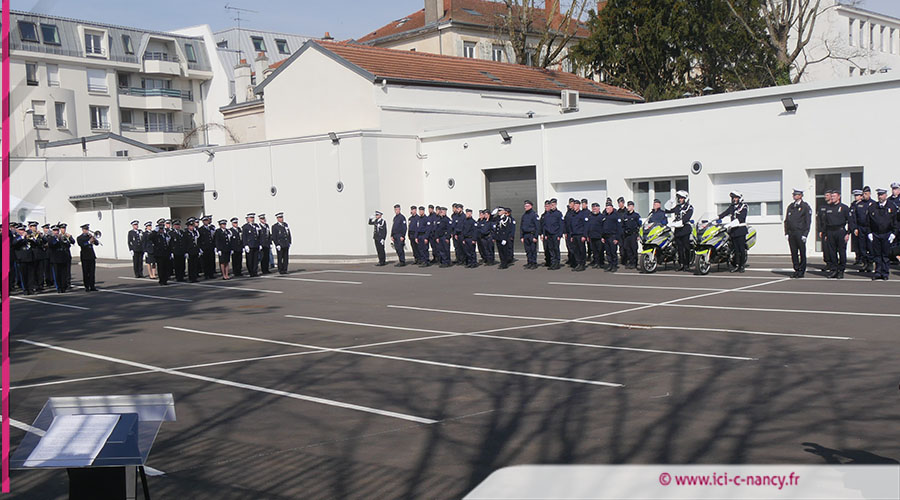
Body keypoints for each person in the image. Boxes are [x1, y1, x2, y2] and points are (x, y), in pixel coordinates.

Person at [868, 188, 897, 281]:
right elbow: (868, 221)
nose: (880, 197)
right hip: (876, 234)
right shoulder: (873, 207)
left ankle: (885, 273)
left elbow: (895, 221)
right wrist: (869, 233)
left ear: (885, 195)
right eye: (879, 195)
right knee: (877, 255)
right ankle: (878, 272)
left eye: (882, 195)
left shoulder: (891, 206)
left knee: (885, 255)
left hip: (887, 233)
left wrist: (894, 233)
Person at [783, 188, 812, 278]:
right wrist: (786, 232)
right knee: (794, 252)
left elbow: (808, 221)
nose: (794, 196)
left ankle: (802, 270)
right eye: (793, 195)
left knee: (802, 252)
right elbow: (787, 220)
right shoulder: (791, 206)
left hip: (800, 232)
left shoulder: (805, 206)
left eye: (796, 195)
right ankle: (796, 269)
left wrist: (805, 234)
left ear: (800, 196)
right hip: (792, 233)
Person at [718, 191, 749, 273]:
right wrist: (715, 218)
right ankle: (737, 265)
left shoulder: (744, 206)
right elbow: (724, 213)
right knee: (735, 249)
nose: (734, 199)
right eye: (733, 198)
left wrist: (729, 224)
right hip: (733, 231)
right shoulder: (732, 207)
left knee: (741, 249)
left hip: (740, 230)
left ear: (739, 198)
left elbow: (741, 218)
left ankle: (742, 266)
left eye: (736, 198)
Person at [822, 190, 850, 279]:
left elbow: (850, 221)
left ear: (839, 197)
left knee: (841, 251)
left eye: (834, 196)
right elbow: (825, 222)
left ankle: (841, 270)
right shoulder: (828, 208)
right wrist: (825, 234)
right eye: (832, 196)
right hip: (830, 232)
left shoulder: (844, 208)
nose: (832, 198)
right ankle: (834, 269)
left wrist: (848, 233)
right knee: (832, 252)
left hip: (840, 231)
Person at [665, 190, 694, 272]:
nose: (680, 199)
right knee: (679, 248)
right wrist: (671, 201)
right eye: (679, 198)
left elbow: (686, 219)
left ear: (685, 198)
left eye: (682, 198)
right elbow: (667, 210)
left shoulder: (689, 207)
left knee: (686, 248)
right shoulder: (678, 207)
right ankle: (681, 264)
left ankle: (687, 264)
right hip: (678, 230)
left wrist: (676, 223)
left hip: (685, 229)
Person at [850, 187, 876, 272]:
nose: (864, 195)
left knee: (870, 247)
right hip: (861, 228)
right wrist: (855, 228)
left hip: (870, 228)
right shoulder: (859, 204)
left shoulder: (874, 204)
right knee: (862, 247)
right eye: (863, 194)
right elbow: (854, 218)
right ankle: (865, 263)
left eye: (866, 194)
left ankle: (870, 263)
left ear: (869, 194)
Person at [47, 224, 74, 293]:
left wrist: (67, 239)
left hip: (63, 258)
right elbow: (52, 244)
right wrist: (57, 239)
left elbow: (68, 244)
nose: (56, 232)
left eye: (57, 230)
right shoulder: (50, 238)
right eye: (55, 231)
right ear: (52, 231)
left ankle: (63, 286)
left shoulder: (62, 237)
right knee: (57, 274)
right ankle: (58, 287)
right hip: (55, 259)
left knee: (63, 274)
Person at [12, 225, 35, 294]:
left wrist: (32, 239)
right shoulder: (16, 237)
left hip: (29, 258)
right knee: (23, 275)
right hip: (21, 258)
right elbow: (14, 243)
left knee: (30, 275)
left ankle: (30, 288)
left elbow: (34, 244)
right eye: (21, 230)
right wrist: (22, 237)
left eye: (23, 230)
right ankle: (25, 289)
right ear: (18, 231)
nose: (22, 231)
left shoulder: (27, 237)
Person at [600, 201, 623, 272]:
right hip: (606, 237)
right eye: (606, 208)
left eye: (608, 208)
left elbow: (619, 228)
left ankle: (614, 265)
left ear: (612, 208)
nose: (607, 209)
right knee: (608, 252)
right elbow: (602, 227)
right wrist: (602, 237)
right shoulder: (604, 216)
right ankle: (610, 265)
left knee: (613, 252)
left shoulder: (616, 216)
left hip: (613, 236)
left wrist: (617, 238)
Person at [76, 223, 99, 291]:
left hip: (91, 256)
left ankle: (92, 286)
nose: (86, 231)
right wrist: (89, 242)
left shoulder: (90, 236)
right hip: (84, 256)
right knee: (86, 272)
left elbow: (97, 243)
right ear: (82, 230)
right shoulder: (79, 238)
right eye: (85, 229)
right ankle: (87, 286)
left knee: (92, 272)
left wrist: (94, 239)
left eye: (87, 229)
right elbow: (82, 245)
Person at [541, 198, 563, 270]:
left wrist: (559, 235)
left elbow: (561, 225)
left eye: (553, 204)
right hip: (549, 235)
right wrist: (545, 234)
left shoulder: (558, 213)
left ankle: (557, 263)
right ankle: (553, 263)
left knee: (556, 249)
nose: (552, 206)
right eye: (551, 205)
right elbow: (545, 225)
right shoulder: (547, 214)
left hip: (556, 234)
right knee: (551, 249)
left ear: (556, 204)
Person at [817, 190, 834, 272]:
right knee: (825, 248)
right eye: (825, 195)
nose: (825, 197)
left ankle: (834, 263)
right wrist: (820, 230)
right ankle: (828, 263)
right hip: (824, 230)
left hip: (831, 230)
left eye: (827, 195)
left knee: (832, 248)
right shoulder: (822, 207)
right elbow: (819, 219)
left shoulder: (833, 206)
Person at [520, 200, 540, 269]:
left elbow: (537, 227)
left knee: (533, 250)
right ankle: (529, 262)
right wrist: (521, 236)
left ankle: (534, 263)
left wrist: (536, 236)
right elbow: (521, 226)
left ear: (531, 206)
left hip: (532, 235)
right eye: (525, 206)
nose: (525, 207)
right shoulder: (524, 215)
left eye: (527, 206)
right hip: (525, 235)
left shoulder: (534, 215)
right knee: (527, 250)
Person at [569, 200, 587, 272]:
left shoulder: (582, 214)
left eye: (576, 205)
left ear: (579, 206)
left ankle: (582, 264)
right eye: (574, 205)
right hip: (574, 235)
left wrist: (584, 235)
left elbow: (585, 226)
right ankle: (578, 263)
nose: (575, 207)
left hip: (580, 235)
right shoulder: (572, 215)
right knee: (576, 250)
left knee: (581, 250)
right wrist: (571, 236)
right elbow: (571, 226)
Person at [622, 201, 641, 269]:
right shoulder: (625, 215)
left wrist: (638, 235)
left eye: (630, 206)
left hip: (633, 234)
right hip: (627, 235)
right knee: (627, 249)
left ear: (633, 207)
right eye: (628, 206)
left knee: (634, 249)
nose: (628, 207)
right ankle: (630, 262)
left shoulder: (636, 215)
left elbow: (640, 225)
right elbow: (623, 225)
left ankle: (634, 263)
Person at [242, 213, 261, 277]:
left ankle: (255, 271)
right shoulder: (245, 227)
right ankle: (251, 272)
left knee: (256, 259)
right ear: (248, 219)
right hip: (249, 245)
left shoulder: (256, 225)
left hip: (256, 244)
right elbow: (244, 236)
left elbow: (258, 235)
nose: (252, 219)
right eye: (251, 218)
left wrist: (259, 243)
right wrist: (245, 245)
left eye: (253, 218)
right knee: (250, 260)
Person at [587, 202, 604, 269]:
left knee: (600, 250)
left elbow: (603, 227)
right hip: (592, 236)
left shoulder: (601, 217)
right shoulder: (590, 216)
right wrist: (587, 235)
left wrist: (603, 236)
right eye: (593, 208)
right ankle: (596, 262)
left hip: (599, 237)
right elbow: (588, 226)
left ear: (598, 209)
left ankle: (601, 262)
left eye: (596, 208)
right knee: (594, 251)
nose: (594, 209)